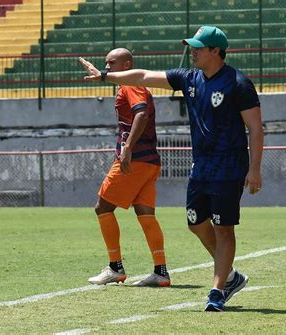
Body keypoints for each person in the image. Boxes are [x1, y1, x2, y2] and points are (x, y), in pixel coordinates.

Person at [80, 25, 264, 312]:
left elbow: (254, 129)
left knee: (223, 228)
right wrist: (105, 75)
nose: (193, 52)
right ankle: (230, 275)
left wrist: (254, 169)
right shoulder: (189, 78)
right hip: (201, 166)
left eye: (198, 48)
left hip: (229, 166)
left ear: (215, 51)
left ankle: (217, 291)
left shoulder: (238, 83)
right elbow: (142, 76)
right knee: (195, 223)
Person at [87, 48, 171, 287]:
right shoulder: (131, 84)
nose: (108, 67)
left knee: (102, 207)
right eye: (106, 63)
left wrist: (127, 149)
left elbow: (141, 114)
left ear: (127, 65)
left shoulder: (131, 85)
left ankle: (115, 267)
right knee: (146, 214)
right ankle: (161, 271)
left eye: (112, 63)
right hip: (150, 160)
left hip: (134, 161)